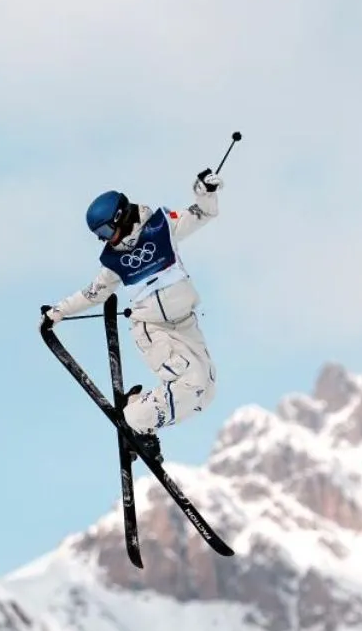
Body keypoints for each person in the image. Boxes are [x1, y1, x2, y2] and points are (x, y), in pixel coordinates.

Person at [41, 168, 225, 463]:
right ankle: (136, 421)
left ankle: (141, 415)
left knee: (206, 391)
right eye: (100, 236)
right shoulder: (114, 260)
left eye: (105, 231)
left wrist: (206, 193)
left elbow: (203, 213)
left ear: (121, 217)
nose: (106, 240)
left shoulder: (162, 227)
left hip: (185, 323)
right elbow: (94, 293)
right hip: (153, 328)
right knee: (190, 380)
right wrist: (58, 311)